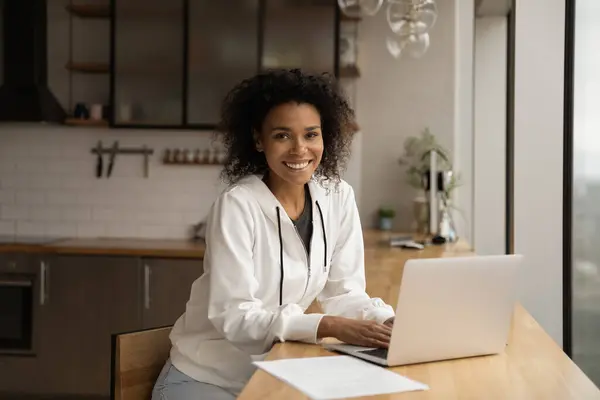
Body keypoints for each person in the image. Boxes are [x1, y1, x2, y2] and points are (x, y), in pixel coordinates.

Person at [151, 68, 395, 400]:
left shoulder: (338, 196)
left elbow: (344, 293)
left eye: (311, 134)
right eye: (282, 135)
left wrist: (387, 323)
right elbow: (235, 316)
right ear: (258, 140)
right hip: (206, 379)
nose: (300, 149)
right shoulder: (237, 206)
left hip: (274, 375)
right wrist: (327, 325)